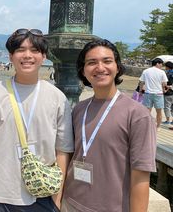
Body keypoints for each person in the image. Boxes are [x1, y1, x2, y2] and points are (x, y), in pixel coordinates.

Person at [0, 28, 74, 211]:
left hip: (40, 194)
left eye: (34, 50)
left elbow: (62, 150)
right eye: (20, 50)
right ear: (11, 57)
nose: (27, 55)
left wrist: (56, 199)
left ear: (44, 57)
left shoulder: (57, 98)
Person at [62, 39, 156, 212]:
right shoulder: (79, 109)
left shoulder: (137, 114)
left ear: (117, 67)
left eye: (107, 61)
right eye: (91, 63)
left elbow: (141, 175)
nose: (100, 68)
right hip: (70, 203)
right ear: (83, 70)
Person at [139, 57, 168, 127]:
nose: (162, 66)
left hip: (148, 93)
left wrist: (140, 91)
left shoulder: (145, 71)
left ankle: (147, 126)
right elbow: (164, 84)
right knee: (159, 112)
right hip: (159, 94)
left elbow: (141, 82)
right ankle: (158, 126)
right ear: (157, 63)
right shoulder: (162, 72)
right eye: (161, 64)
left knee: (147, 111)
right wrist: (164, 90)